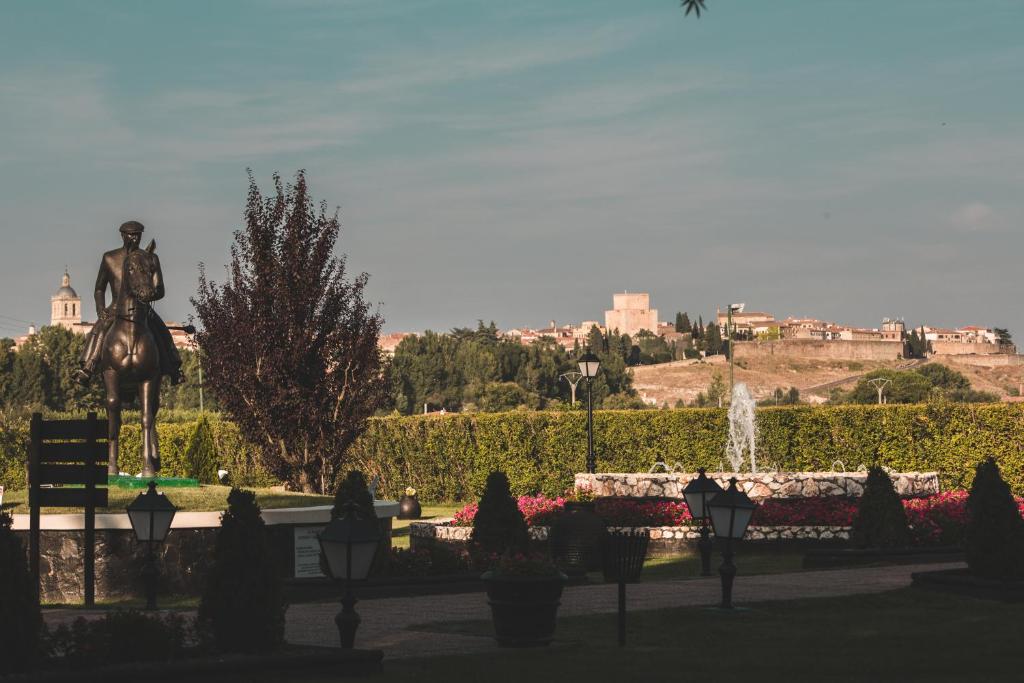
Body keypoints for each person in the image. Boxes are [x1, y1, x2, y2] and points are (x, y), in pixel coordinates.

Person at [75, 221, 184, 385]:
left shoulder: (150, 258)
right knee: (98, 330)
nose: (134, 238)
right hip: (115, 309)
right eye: (131, 235)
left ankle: (174, 369)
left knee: (162, 332)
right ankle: (88, 368)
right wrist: (100, 308)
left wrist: (149, 295)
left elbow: (160, 289)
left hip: (142, 309)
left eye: (138, 235)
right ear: (122, 235)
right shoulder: (110, 258)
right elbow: (99, 288)